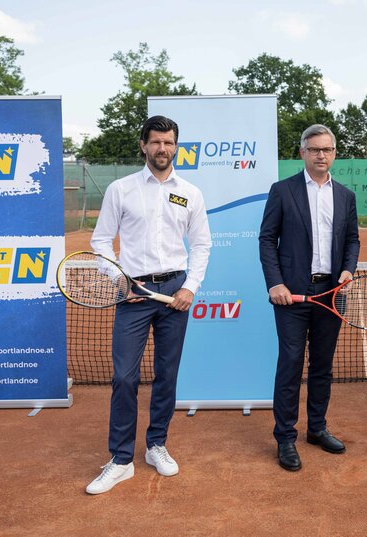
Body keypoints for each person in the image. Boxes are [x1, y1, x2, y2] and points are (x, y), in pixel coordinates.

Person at [86, 115, 211, 494]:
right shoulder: (120, 190)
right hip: (133, 294)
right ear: (144, 145)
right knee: (124, 377)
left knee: (166, 375)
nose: (163, 149)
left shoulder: (190, 192)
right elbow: (101, 242)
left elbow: (202, 244)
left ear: (176, 146)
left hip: (174, 292)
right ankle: (121, 459)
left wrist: (189, 286)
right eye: (156, 142)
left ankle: (157, 444)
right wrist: (119, 280)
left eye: (169, 143)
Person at [259, 124, 360, 472]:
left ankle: (316, 428)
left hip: (331, 294)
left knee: (322, 366)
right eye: (314, 149)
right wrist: (275, 284)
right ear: (302, 152)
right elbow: (266, 239)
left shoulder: (345, 196)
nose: (321, 155)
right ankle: (285, 437)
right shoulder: (282, 190)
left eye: (327, 150)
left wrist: (348, 270)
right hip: (292, 297)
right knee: (290, 365)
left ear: (334, 154)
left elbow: (352, 241)